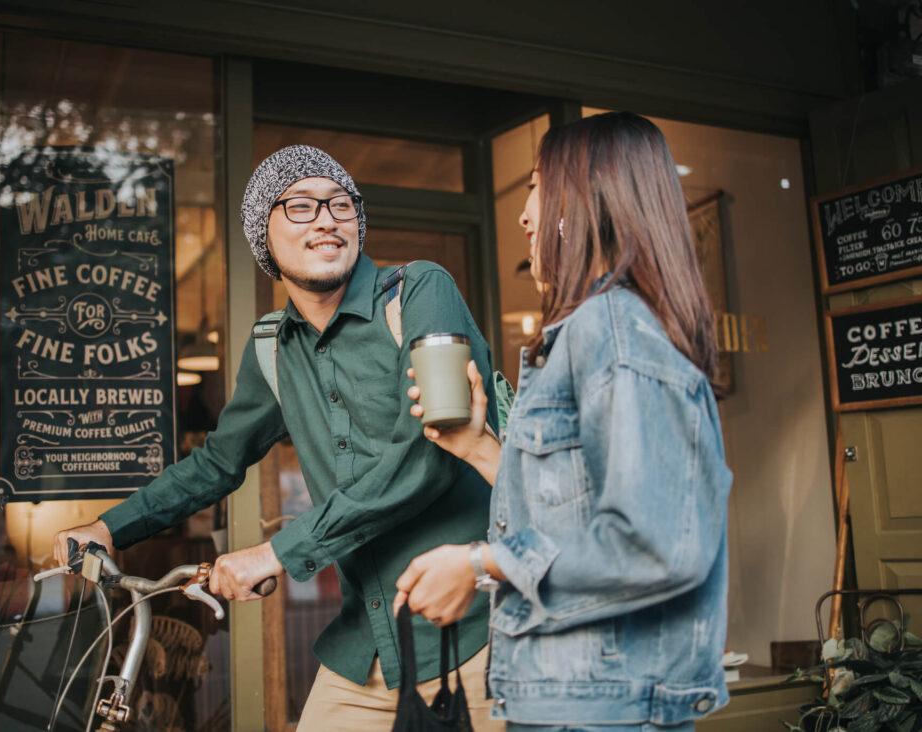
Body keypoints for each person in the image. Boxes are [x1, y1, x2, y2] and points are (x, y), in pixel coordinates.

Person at [53, 145, 504, 730]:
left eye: (341, 204)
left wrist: (277, 553)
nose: (326, 218)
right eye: (299, 206)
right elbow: (218, 461)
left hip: (475, 635)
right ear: (262, 236)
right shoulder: (271, 346)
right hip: (363, 646)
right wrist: (109, 527)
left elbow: (429, 453)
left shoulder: (418, 290)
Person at [394, 113, 733, 732]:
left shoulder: (611, 329)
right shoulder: (599, 331)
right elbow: (576, 514)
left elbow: (656, 542)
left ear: (586, 201)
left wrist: (477, 563)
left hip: (601, 709)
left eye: (536, 185)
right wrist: (480, 448)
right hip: (578, 701)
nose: (523, 215)